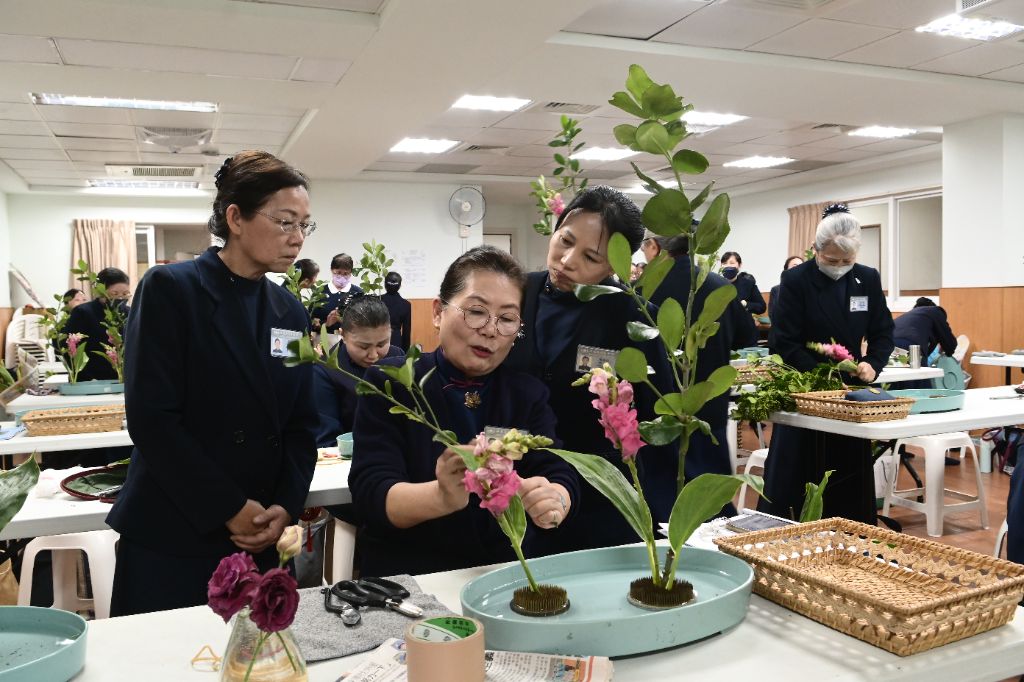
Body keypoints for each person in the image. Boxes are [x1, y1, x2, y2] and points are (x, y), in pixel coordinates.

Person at [107, 150, 319, 616]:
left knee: (251, 661)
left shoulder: (289, 311)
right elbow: (152, 419)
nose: (298, 238)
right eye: (286, 222)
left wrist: (285, 504)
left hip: (260, 529)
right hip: (179, 528)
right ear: (235, 217)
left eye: (305, 225)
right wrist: (228, 505)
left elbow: (301, 421)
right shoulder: (172, 290)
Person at [349, 246, 579, 576]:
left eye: (507, 319)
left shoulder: (526, 394)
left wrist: (555, 498)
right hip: (413, 578)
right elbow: (372, 494)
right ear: (438, 312)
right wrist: (441, 496)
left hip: (503, 576)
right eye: (476, 312)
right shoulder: (394, 383)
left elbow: (559, 470)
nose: (490, 330)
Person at [505, 186, 676, 553]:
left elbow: (653, 417)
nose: (567, 261)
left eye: (590, 257)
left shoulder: (633, 319)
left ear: (615, 264)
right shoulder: (516, 294)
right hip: (518, 486)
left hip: (598, 493)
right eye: (564, 240)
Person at [765, 204, 894, 524]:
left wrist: (872, 363)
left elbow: (883, 331)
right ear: (816, 251)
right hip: (805, 391)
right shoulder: (795, 281)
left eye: (846, 262)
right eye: (831, 260)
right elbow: (786, 342)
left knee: (847, 477)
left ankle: (851, 540)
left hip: (851, 396)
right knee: (798, 479)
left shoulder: (867, 279)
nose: (839, 267)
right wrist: (821, 380)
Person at [641, 232, 750, 491]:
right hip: (709, 399)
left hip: (660, 405)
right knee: (709, 492)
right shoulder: (720, 286)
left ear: (654, 247)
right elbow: (747, 335)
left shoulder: (644, 289)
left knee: (664, 490)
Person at [313, 294, 404, 447]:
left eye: (382, 344)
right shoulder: (325, 372)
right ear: (343, 335)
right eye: (363, 347)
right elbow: (327, 443)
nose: (374, 355)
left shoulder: (397, 357)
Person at [642, 233, 757, 349]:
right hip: (715, 367)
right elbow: (746, 338)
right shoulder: (722, 287)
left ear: (653, 246)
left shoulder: (640, 292)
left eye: (643, 248)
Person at [63, 268, 130, 382]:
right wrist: (87, 377)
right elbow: (69, 348)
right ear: (100, 291)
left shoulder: (129, 313)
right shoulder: (83, 312)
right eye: (115, 293)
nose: (120, 298)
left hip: (121, 379)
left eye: (125, 294)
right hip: (90, 380)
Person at [720, 251, 764, 346]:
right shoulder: (715, 284)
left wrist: (746, 304)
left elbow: (761, 307)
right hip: (723, 335)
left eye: (732, 263)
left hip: (746, 335)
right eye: (724, 263)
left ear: (739, 265)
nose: (728, 266)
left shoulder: (748, 284)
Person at [893, 297, 957, 360]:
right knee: (921, 369)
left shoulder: (911, 315)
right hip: (910, 345)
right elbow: (949, 340)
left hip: (888, 344)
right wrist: (949, 351)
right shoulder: (935, 311)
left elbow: (928, 351)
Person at [313, 253, 363, 334]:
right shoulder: (320, 292)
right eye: (338, 273)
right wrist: (326, 324)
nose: (342, 277)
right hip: (324, 342)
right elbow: (311, 322)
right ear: (332, 270)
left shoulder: (358, 293)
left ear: (351, 272)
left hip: (351, 342)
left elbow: (363, 323)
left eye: (346, 273)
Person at [381, 271, 412, 351]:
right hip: (396, 340)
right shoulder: (406, 304)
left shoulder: (377, 300)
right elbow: (406, 332)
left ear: (385, 284)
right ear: (400, 286)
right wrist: (405, 352)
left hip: (379, 339)